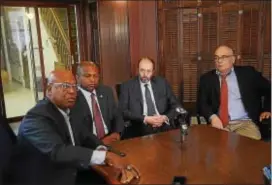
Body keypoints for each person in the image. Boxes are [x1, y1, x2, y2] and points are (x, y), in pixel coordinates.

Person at [17, 70, 125, 185]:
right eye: (65, 86)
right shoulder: (35, 118)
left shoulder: (69, 110)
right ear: (49, 90)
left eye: (74, 86)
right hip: (50, 177)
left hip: (75, 169)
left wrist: (102, 149)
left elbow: (86, 135)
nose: (72, 91)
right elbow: (58, 151)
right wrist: (104, 156)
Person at [197, 45, 271, 140]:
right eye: (216, 58)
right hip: (219, 124)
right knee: (215, 150)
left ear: (233, 59)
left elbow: (269, 89)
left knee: (248, 148)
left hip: (245, 123)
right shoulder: (206, 79)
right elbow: (202, 103)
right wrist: (212, 117)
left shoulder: (248, 73)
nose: (219, 61)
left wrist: (267, 109)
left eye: (223, 57)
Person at [118, 57, 180, 138]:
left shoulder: (162, 83)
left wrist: (164, 117)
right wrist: (145, 119)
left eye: (148, 71)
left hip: (163, 125)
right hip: (140, 126)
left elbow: (176, 106)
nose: (145, 74)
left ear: (153, 72)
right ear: (138, 70)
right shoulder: (127, 86)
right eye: (142, 70)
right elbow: (123, 111)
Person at [71, 62, 124, 145]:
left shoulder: (106, 91)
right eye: (87, 76)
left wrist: (117, 133)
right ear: (77, 78)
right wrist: (99, 143)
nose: (92, 79)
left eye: (95, 76)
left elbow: (117, 115)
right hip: (89, 145)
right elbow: (78, 131)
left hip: (111, 139)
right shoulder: (73, 97)